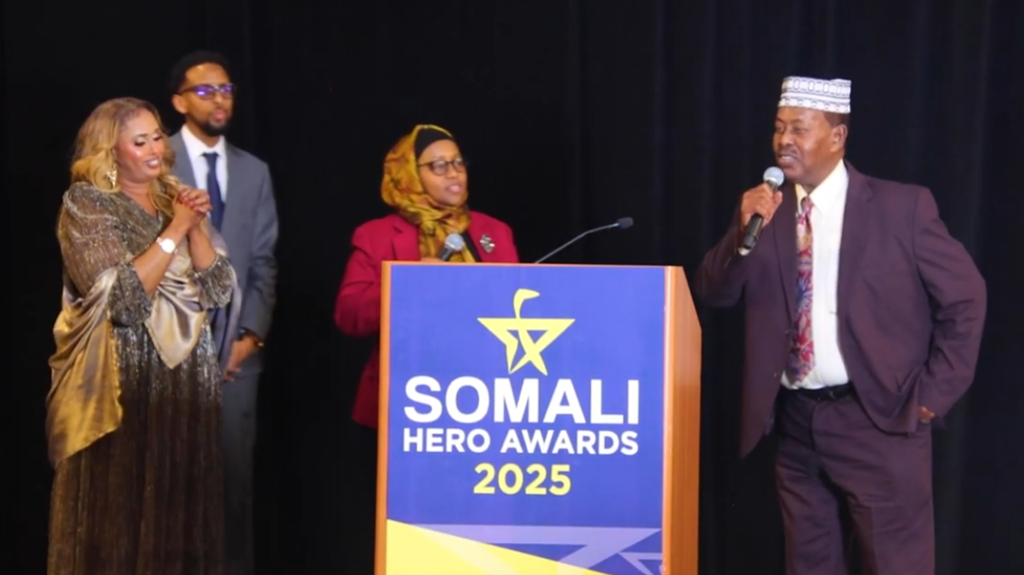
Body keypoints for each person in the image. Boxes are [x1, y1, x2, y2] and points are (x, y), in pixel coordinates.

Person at [694, 76, 987, 575]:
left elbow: (966, 299)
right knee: (809, 565)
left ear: (837, 137)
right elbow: (713, 292)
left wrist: (929, 397)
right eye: (779, 128)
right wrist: (741, 238)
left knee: (896, 566)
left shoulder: (901, 209)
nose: (785, 140)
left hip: (878, 418)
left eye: (800, 129)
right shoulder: (766, 209)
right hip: (795, 423)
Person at [46, 97, 237, 575]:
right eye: (140, 141)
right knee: (120, 511)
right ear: (111, 151)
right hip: (121, 382)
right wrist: (176, 228)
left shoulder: (174, 194)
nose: (156, 148)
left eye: (157, 136)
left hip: (188, 380)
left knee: (182, 510)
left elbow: (218, 288)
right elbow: (123, 301)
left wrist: (193, 227)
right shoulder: (87, 204)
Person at [334, 124, 520, 572]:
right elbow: (350, 314)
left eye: (458, 163)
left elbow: (519, 305)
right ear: (409, 175)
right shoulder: (378, 236)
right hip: (404, 407)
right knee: (403, 540)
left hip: (482, 408)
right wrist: (408, 281)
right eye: (439, 166)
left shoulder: (493, 233)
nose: (455, 174)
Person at [167, 50, 279, 575]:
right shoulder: (157, 161)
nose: (219, 99)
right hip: (170, 355)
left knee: (234, 487)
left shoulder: (254, 171)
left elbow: (263, 262)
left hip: (237, 361)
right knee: (170, 484)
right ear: (179, 100)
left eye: (227, 89)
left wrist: (249, 336)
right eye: (206, 90)